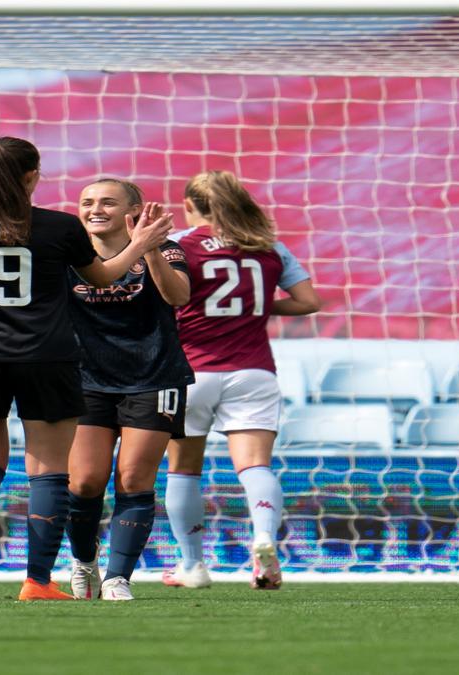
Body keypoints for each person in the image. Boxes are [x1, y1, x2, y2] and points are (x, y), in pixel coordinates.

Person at [0, 137, 174, 601]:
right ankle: (37, 581)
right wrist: (141, 242)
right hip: (44, 356)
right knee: (47, 470)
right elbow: (103, 277)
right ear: (31, 177)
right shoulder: (59, 228)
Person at [163, 170, 321, 590]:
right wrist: (254, 309)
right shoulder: (267, 246)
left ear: (190, 206)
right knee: (254, 465)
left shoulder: (178, 244)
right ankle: (265, 538)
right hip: (253, 370)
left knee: (183, 470)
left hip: (190, 370)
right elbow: (308, 301)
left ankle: (192, 566)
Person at [64, 180, 194, 601]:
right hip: (85, 379)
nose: (94, 208)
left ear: (133, 210)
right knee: (84, 482)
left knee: (134, 477)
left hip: (153, 377)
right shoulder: (66, 253)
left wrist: (148, 245)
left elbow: (178, 297)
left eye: (106, 201)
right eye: (87, 202)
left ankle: (118, 577)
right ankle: (84, 562)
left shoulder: (168, 248)